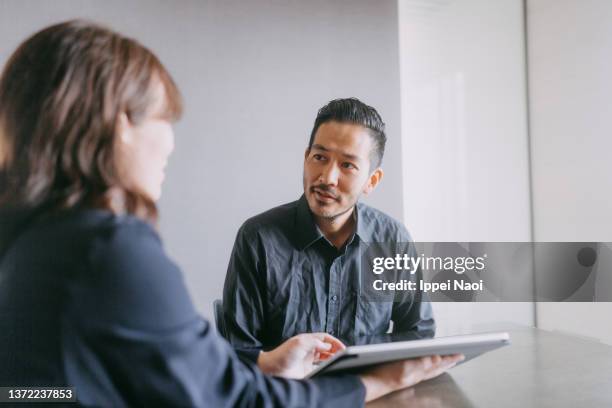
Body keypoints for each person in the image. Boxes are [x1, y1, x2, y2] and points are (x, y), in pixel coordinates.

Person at [0, 20, 461, 407]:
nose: (171, 143)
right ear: (121, 126)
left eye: (348, 165)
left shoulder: (29, 238)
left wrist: (265, 364)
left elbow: (36, 391)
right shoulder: (109, 250)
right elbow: (231, 397)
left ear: (371, 180)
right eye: (165, 120)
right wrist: (374, 383)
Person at [222, 98, 434, 362]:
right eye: (319, 157)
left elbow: (418, 334)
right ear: (305, 158)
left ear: (372, 180)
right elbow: (238, 351)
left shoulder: (393, 240)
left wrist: (366, 362)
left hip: (368, 393)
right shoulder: (257, 238)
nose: (326, 178)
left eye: (347, 165)